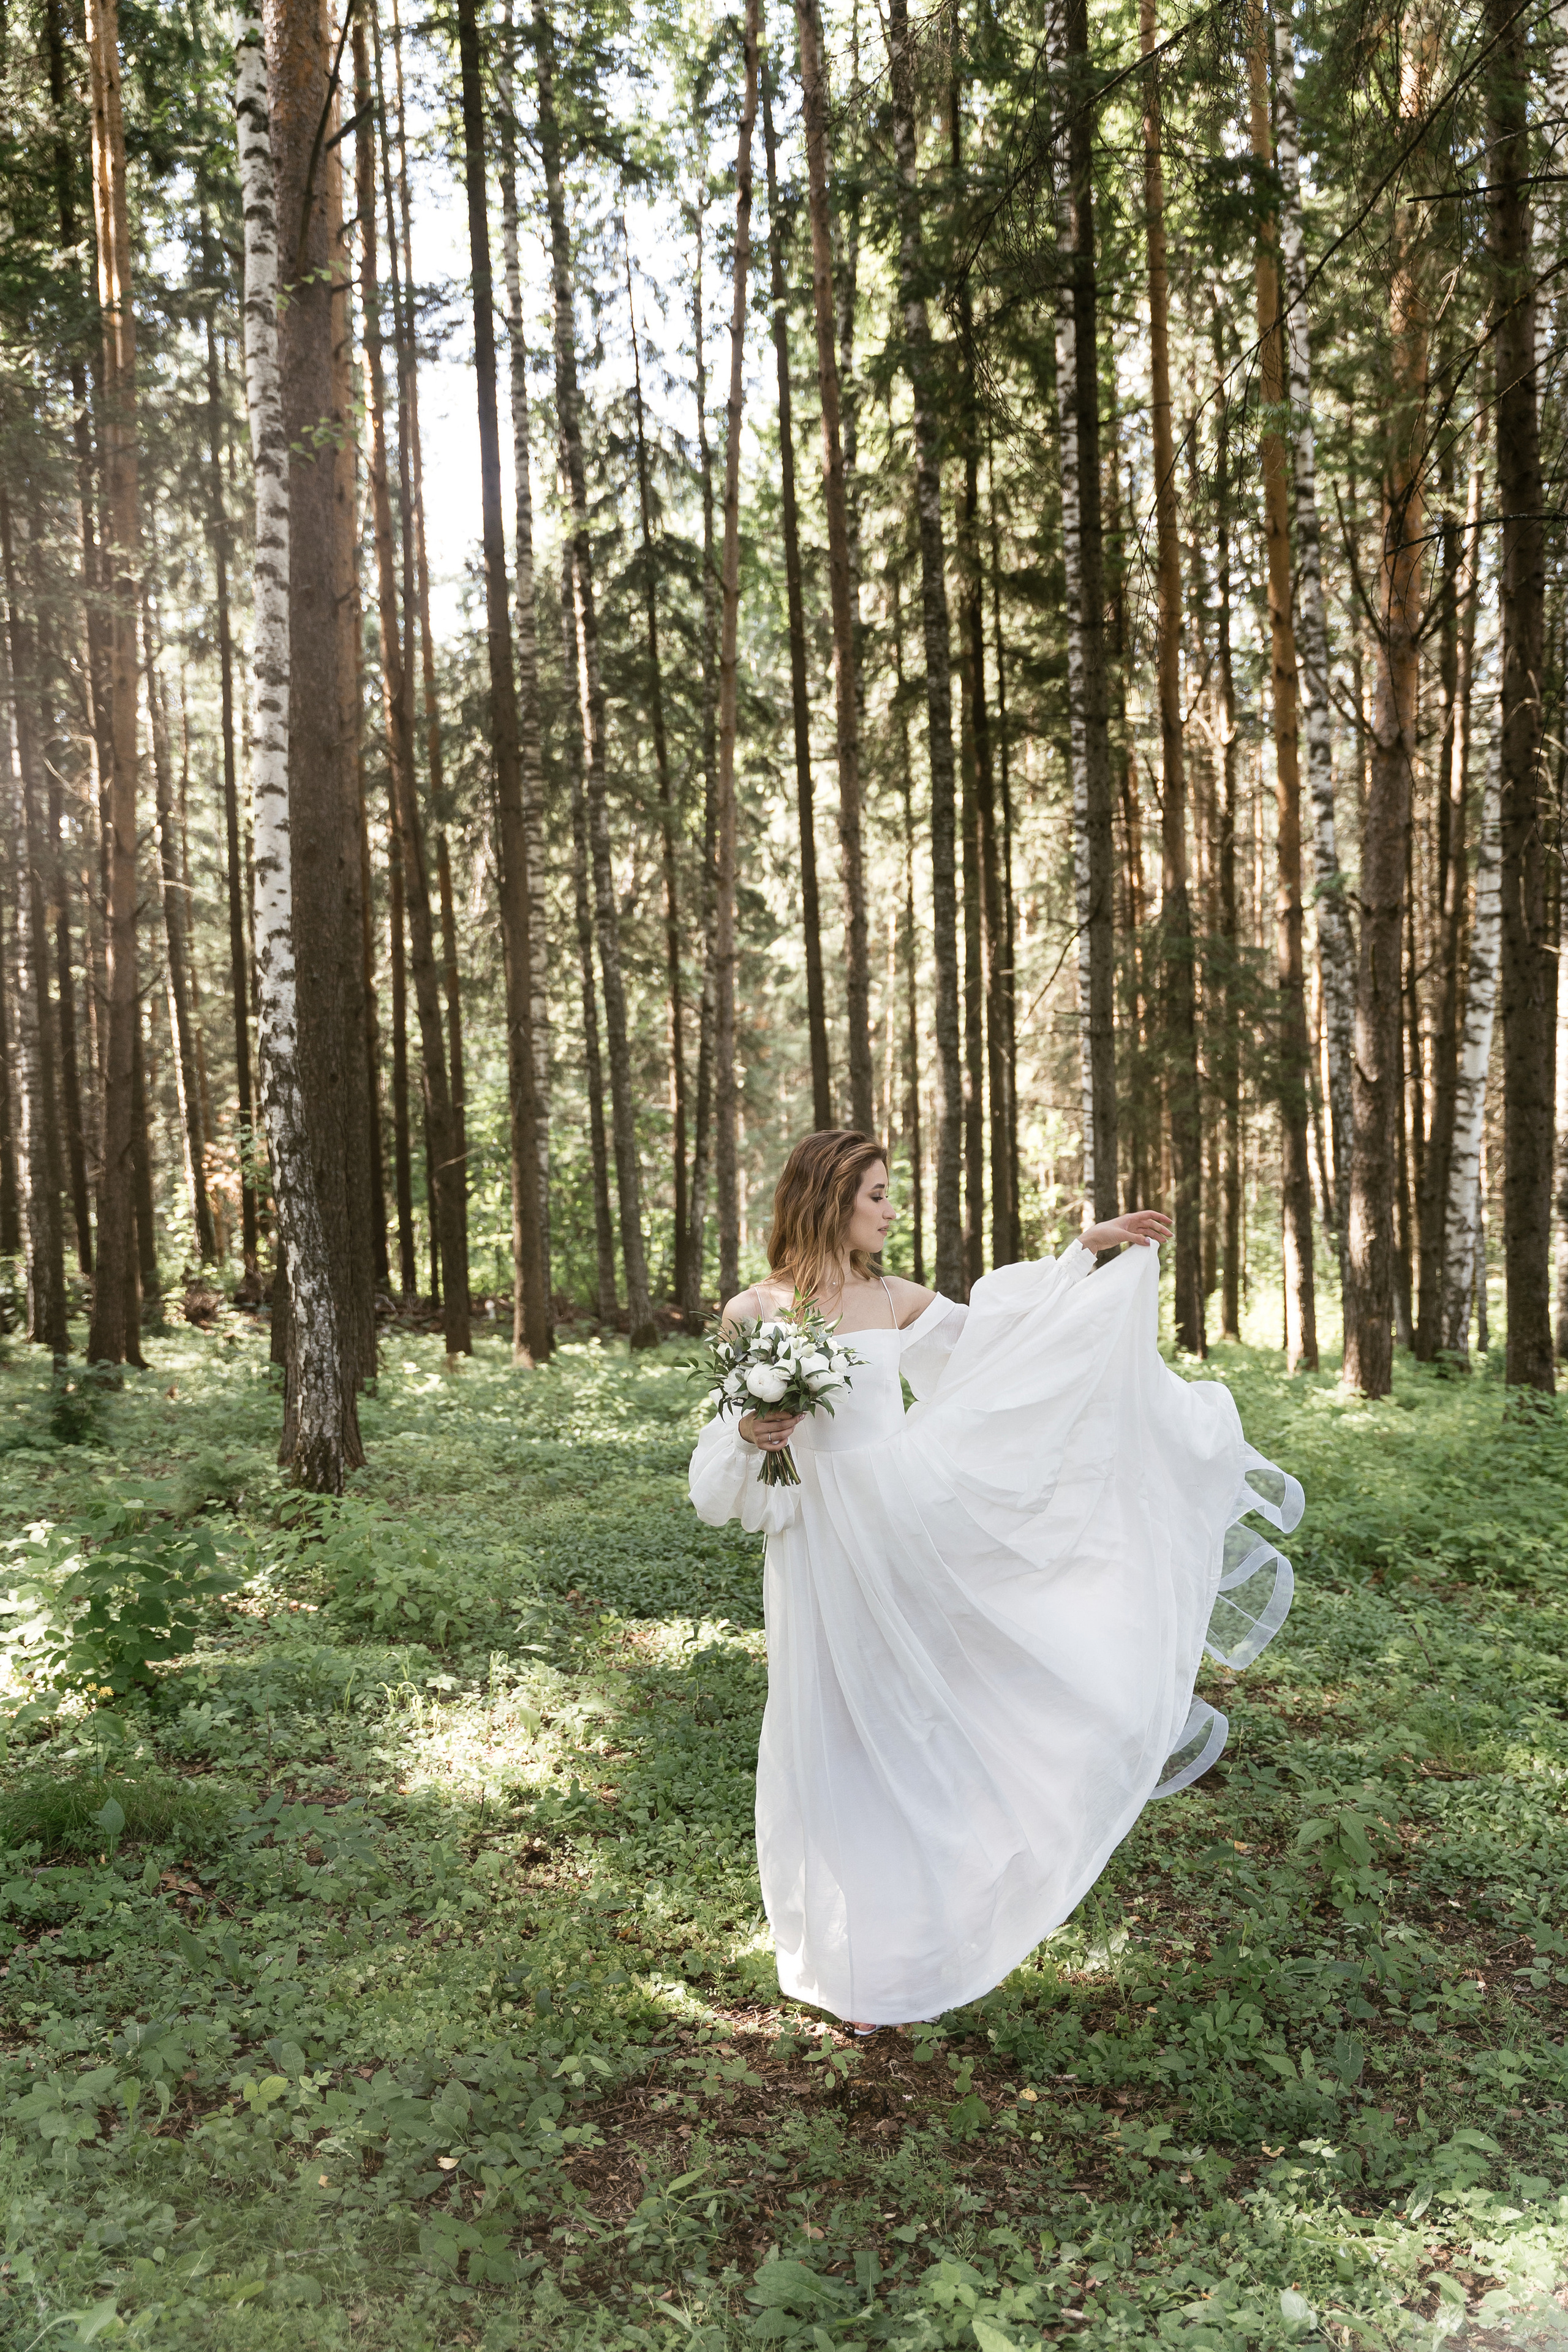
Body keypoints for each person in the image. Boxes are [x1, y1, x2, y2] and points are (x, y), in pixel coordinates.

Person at [688, 1128, 1300, 2035]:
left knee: (919, 1723)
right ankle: (850, 1960)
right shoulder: (754, 1311)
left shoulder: (893, 1298)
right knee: (831, 1728)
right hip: (820, 1546)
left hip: (903, 1531)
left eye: (891, 1194)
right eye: (877, 1196)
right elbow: (717, 1468)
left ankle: (924, 1936)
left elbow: (1006, 1354)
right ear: (826, 1198)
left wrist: (1081, 1260)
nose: (891, 1211)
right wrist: (750, 1436)